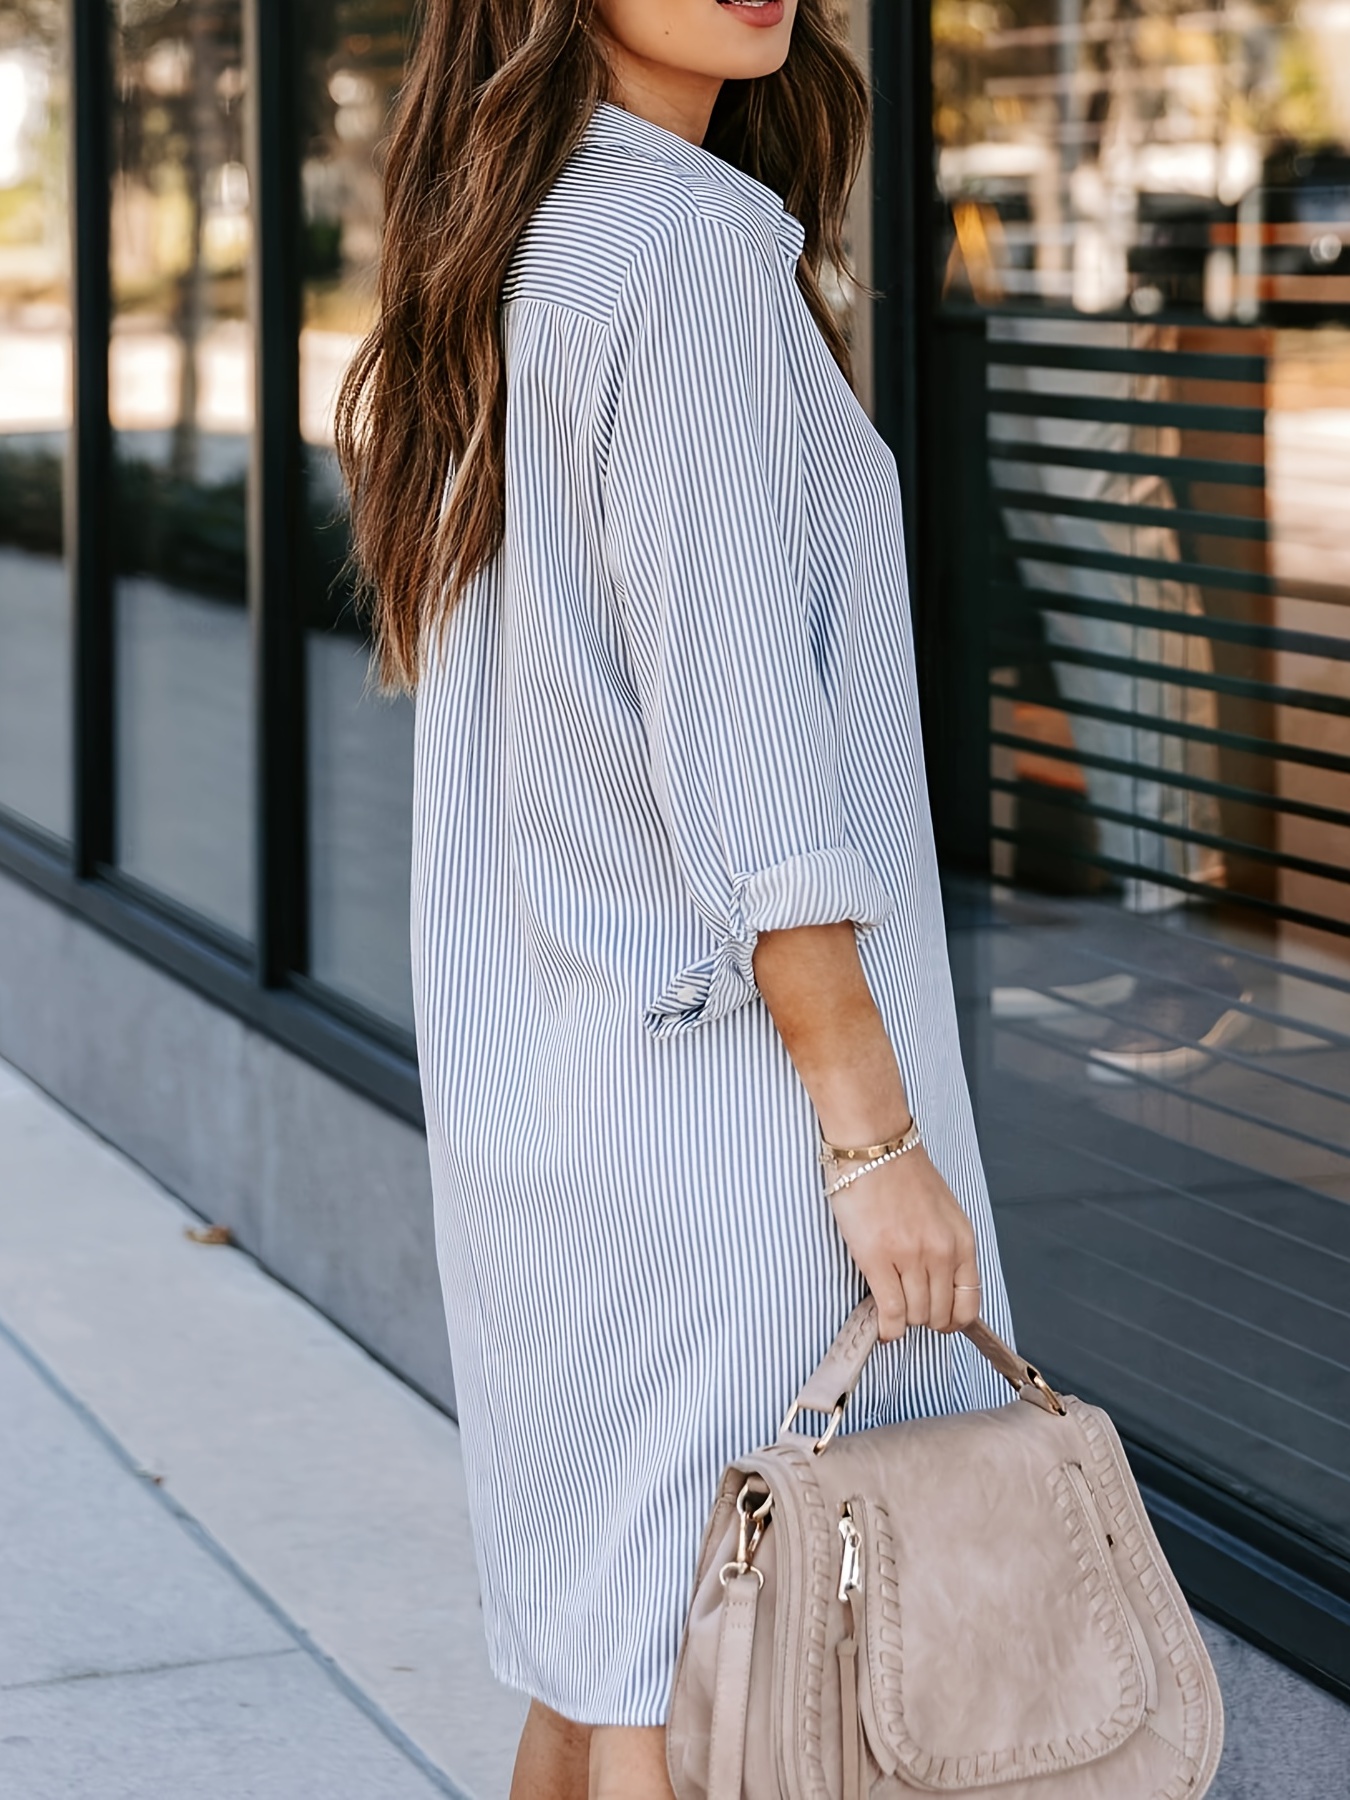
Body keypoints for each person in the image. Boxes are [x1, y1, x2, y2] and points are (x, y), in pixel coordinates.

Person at [336, 3, 1014, 1795]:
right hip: (730, 1126)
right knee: (716, 1694)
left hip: (559, 1089)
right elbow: (747, 758)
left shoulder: (514, 235)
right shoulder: (686, 252)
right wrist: (876, 1146)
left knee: (605, 1660)